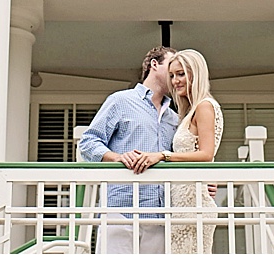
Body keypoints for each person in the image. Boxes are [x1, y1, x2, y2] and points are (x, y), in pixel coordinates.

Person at [78, 45, 178, 254]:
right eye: (171, 66)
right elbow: (88, 142)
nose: (175, 73)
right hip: (121, 209)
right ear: (154, 65)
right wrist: (118, 158)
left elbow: (181, 156)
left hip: (161, 213)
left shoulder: (174, 118)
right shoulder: (120, 101)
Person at [136, 49, 224, 254]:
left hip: (194, 202)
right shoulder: (189, 111)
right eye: (173, 75)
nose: (175, 81)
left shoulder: (204, 106)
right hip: (182, 202)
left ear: (196, 73)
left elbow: (206, 154)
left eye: (181, 74)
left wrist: (162, 155)